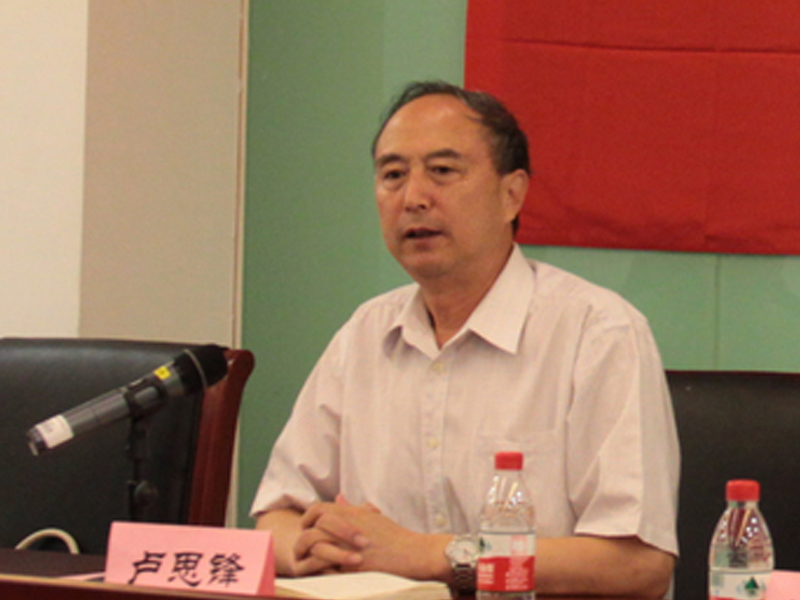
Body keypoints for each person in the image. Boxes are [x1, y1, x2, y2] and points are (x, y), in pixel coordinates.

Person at [251, 80, 680, 598]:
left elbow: (637, 564)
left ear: (511, 194)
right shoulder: (364, 334)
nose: (413, 199)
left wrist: (428, 555)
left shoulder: (597, 333)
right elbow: (276, 517)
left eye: (442, 171)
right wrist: (319, 547)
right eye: (392, 175)